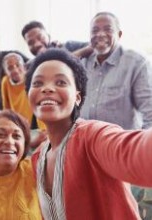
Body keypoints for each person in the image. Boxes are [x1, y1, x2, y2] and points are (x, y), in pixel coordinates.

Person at [25, 48, 152, 219]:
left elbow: (136, 152)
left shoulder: (93, 136)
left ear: (77, 97)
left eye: (61, 82)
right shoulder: (37, 158)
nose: (47, 88)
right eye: (38, 83)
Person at [80, 11, 152, 219]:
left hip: (120, 157)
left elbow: (150, 115)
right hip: (87, 155)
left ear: (119, 34)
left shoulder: (136, 62)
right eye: (95, 30)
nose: (100, 34)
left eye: (107, 29)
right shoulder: (84, 63)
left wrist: (140, 163)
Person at [1, 52, 47, 148]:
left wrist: (44, 131)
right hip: (19, 125)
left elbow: (41, 105)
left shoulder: (33, 80)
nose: (15, 70)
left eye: (18, 65)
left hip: (37, 122)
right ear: (6, 72)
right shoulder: (5, 82)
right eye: (10, 68)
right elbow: (6, 108)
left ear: (24, 67)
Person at [21, 20, 92, 58]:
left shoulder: (68, 46)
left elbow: (93, 46)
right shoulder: (32, 65)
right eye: (30, 43)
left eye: (40, 37)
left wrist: (68, 57)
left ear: (48, 36)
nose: (37, 44)